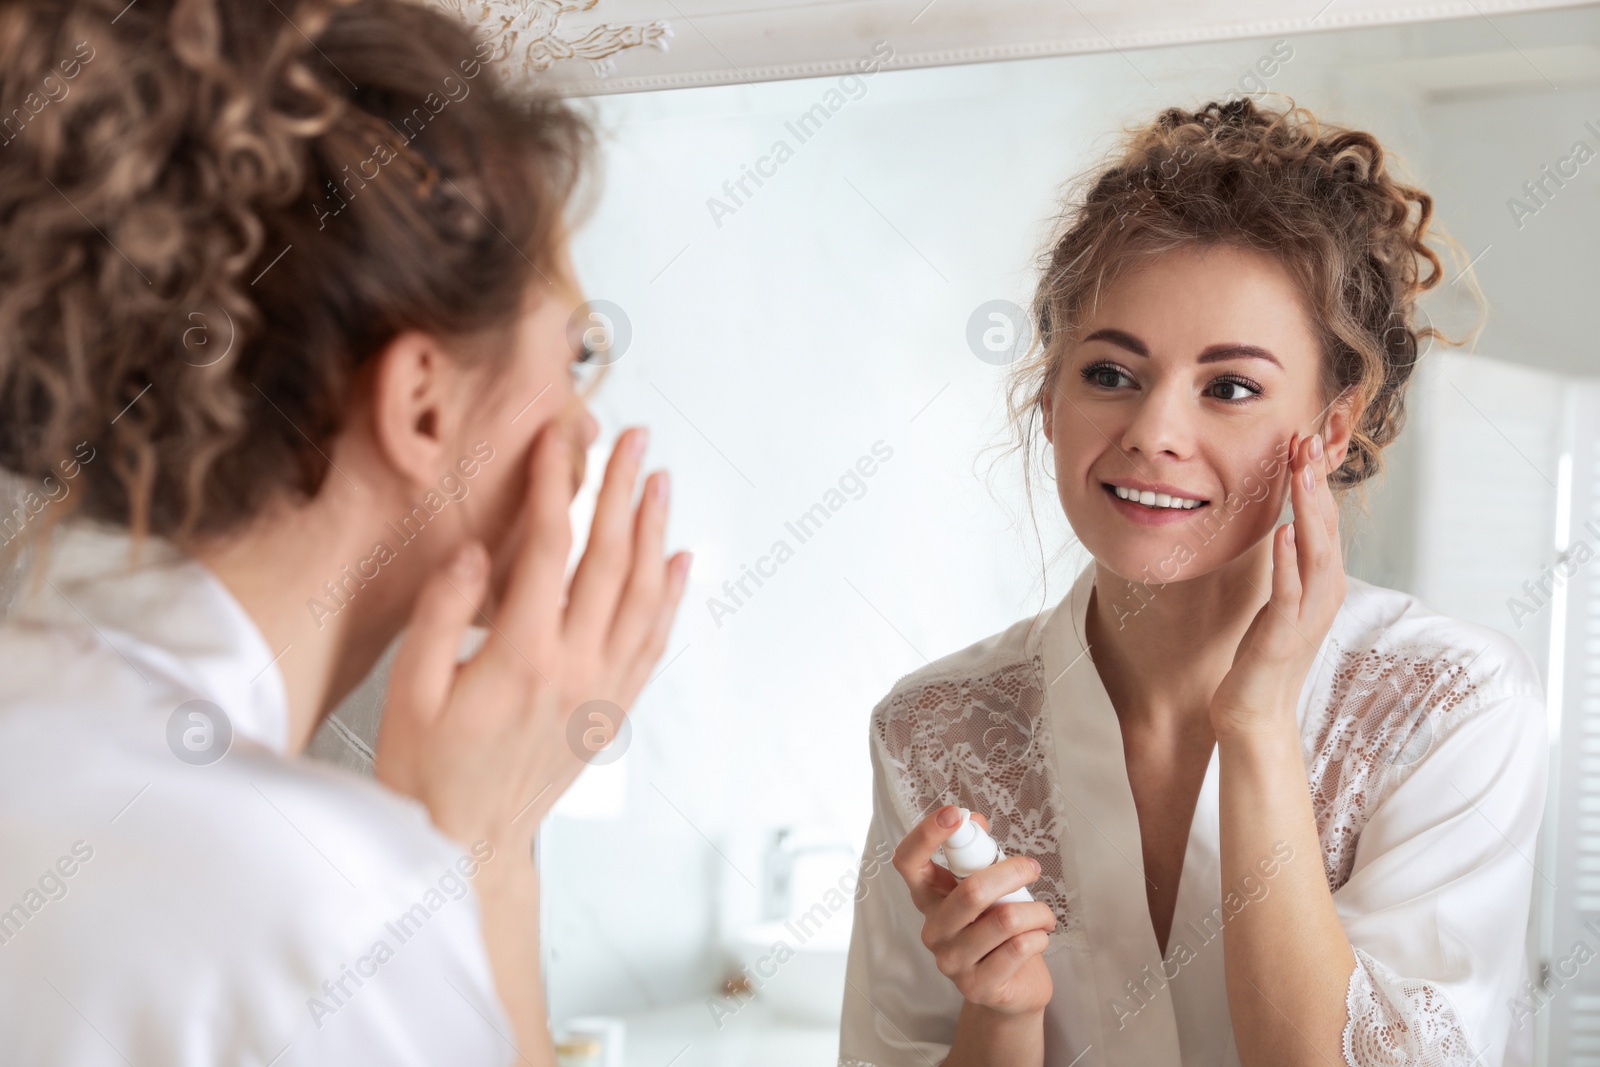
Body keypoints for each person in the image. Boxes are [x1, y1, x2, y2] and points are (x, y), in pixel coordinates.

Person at [0, 1, 689, 1064]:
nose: (584, 420)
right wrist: (481, 859)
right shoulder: (322, 908)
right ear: (422, 404)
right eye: (577, 352)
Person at [838, 99, 1548, 1067]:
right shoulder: (933, 728)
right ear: (1048, 398)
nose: (1152, 431)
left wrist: (1255, 723)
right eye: (1110, 372)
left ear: (1332, 428)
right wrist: (999, 1013)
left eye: (1230, 388)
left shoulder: (1448, 705)